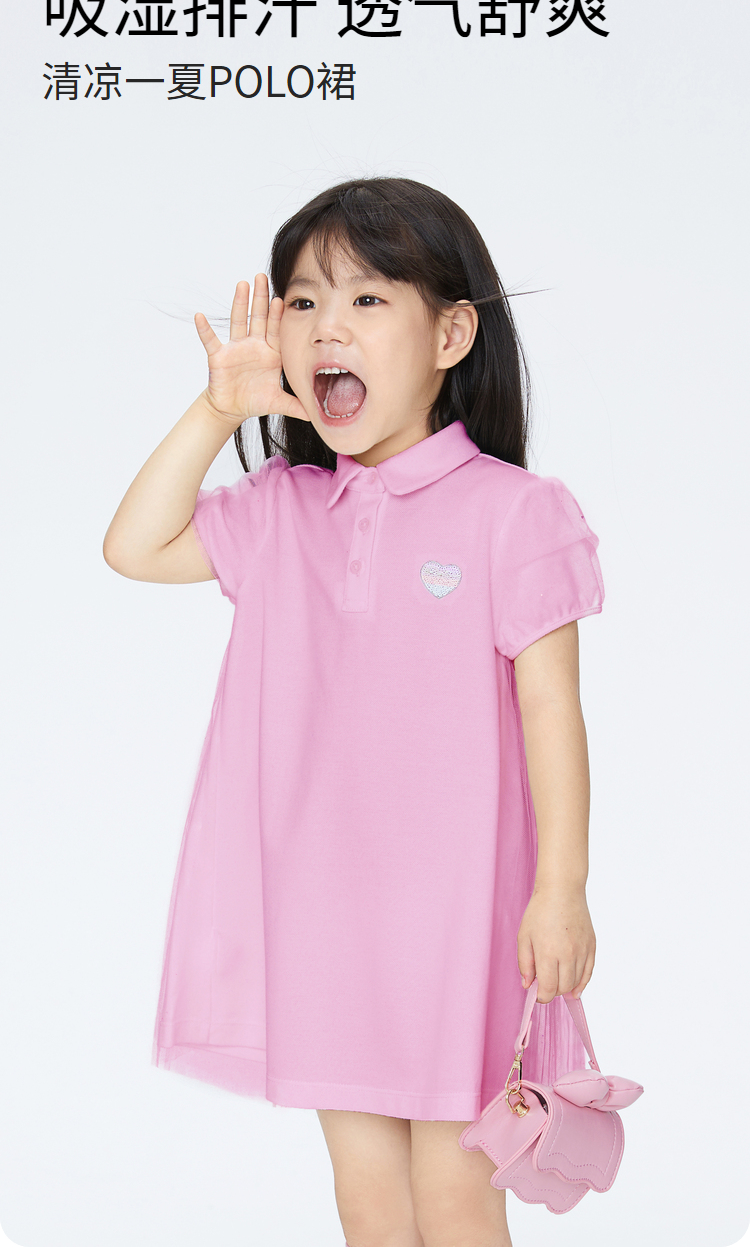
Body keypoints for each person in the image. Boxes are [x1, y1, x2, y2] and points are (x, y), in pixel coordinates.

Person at [103, 176, 605, 1247]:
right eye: (303, 301)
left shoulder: (515, 513)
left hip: (464, 913)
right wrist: (218, 411)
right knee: (369, 1203)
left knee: (455, 1194)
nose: (327, 325)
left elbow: (553, 717)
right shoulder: (282, 512)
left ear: (451, 334)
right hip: (326, 912)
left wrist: (561, 890)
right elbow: (134, 547)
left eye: (368, 299)